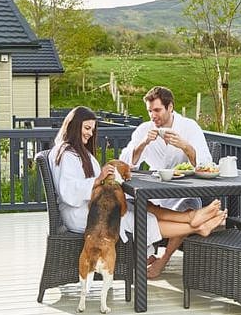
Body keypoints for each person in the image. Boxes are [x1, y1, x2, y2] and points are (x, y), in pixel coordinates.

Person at [48, 106, 226, 274]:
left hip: (94, 207)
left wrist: (107, 179)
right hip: (83, 215)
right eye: (86, 128)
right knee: (142, 219)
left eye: (92, 129)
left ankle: (191, 218)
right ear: (73, 126)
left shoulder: (79, 153)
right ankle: (197, 227)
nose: (89, 133)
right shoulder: (66, 155)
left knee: (144, 207)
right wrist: (98, 179)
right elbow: (68, 191)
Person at [119, 86, 214, 278]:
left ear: (170, 107)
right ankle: (147, 253)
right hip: (154, 195)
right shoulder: (145, 130)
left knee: (189, 208)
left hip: (183, 192)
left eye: (157, 110)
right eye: (149, 111)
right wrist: (144, 143)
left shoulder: (189, 127)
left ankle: (164, 259)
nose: (152, 116)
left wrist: (186, 147)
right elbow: (125, 163)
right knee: (134, 205)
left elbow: (206, 163)